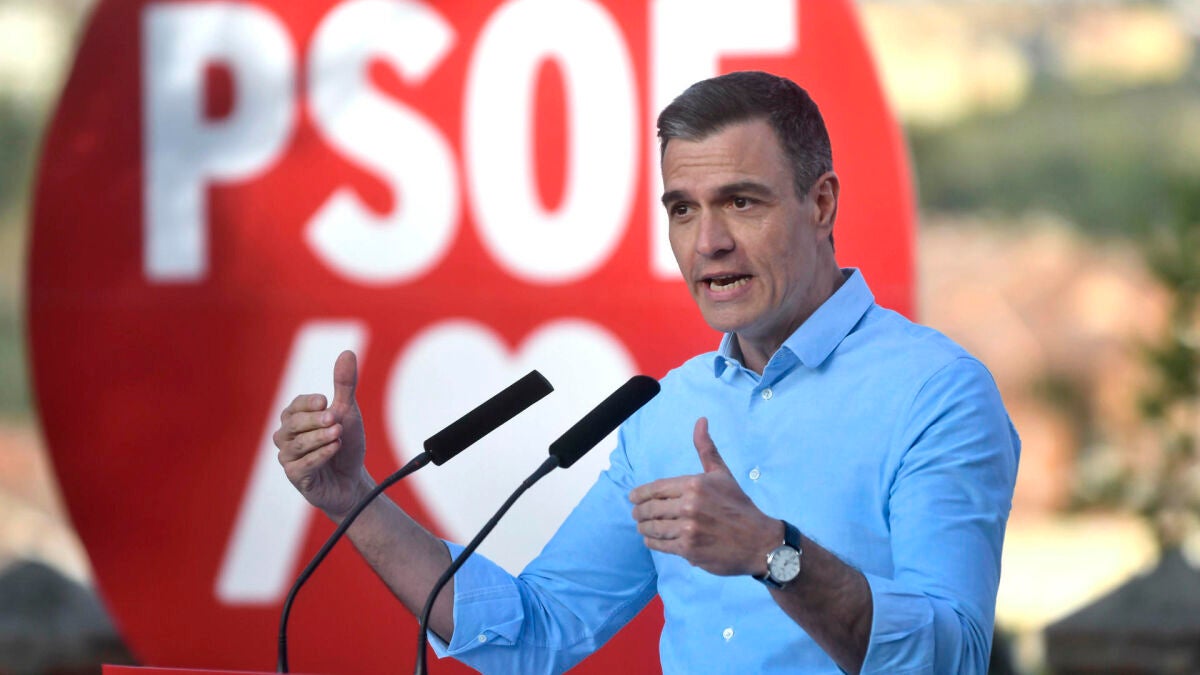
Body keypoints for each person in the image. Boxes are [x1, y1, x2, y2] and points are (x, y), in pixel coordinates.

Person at [275, 71, 1020, 674]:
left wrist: (774, 552)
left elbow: (950, 659)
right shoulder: (667, 411)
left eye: (741, 202)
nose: (709, 242)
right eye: (683, 209)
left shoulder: (937, 393)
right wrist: (354, 500)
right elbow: (534, 633)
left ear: (820, 203)